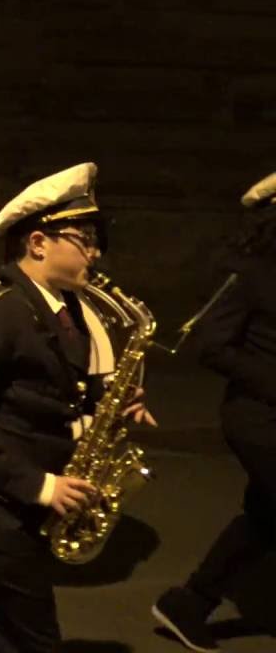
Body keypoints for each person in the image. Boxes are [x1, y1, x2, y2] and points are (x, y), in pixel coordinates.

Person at [0, 162, 157, 652]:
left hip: (9, 510)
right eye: (83, 238)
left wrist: (107, 404)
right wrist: (42, 485)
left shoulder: (62, 307)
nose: (95, 252)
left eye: (96, 240)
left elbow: (43, 391)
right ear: (37, 242)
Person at [151, 171, 276, 652]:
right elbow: (212, 344)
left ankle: (189, 604)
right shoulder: (247, 271)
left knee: (266, 518)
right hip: (259, 419)